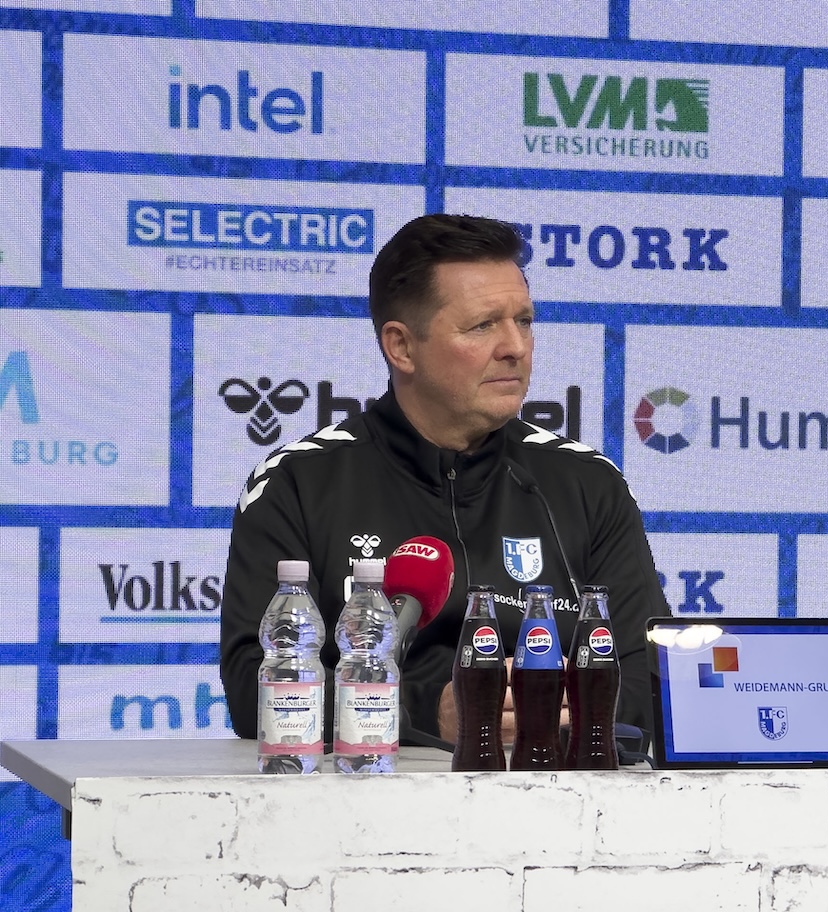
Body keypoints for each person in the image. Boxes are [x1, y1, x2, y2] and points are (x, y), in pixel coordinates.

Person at [220, 213, 670, 747]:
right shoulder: (299, 482)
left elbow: (655, 679)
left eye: (523, 321)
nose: (515, 347)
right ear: (402, 347)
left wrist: (559, 699)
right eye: (483, 326)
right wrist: (432, 709)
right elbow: (257, 689)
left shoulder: (586, 483)